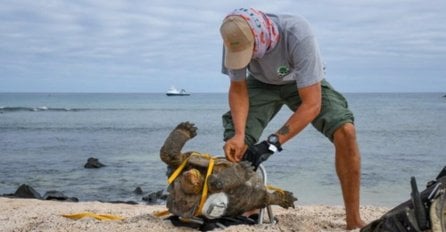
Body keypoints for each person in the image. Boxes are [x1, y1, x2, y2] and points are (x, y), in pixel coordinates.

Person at [219, 8, 366, 230]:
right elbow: (238, 88)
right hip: (260, 84)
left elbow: (312, 104)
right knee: (235, 144)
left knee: (345, 131)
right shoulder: (233, 38)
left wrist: (272, 144)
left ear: (262, 37)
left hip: (302, 82)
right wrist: (239, 135)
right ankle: (250, 207)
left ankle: (353, 219)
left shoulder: (297, 33)